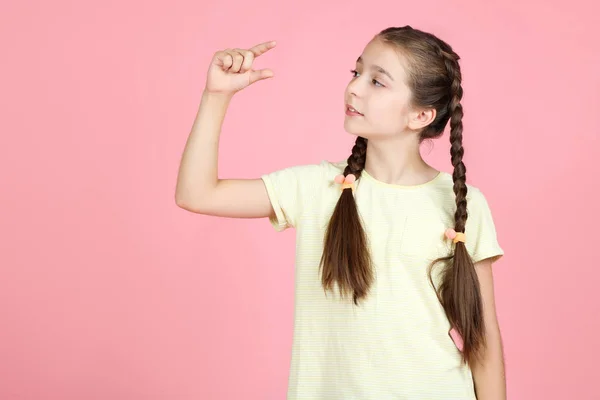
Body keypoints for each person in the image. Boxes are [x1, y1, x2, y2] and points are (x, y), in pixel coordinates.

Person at [175, 25, 506, 400]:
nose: (355, 88)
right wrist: (215, 96)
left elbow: (482, 336)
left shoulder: (464, 203)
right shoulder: (316, 188)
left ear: (419, 116)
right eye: (356, 73)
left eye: (377, 82)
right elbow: (196, 194)